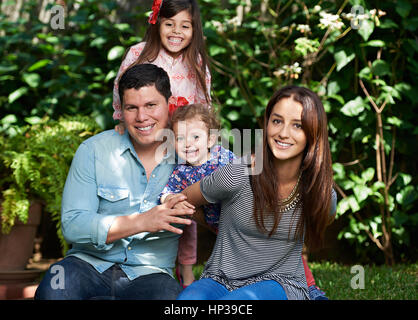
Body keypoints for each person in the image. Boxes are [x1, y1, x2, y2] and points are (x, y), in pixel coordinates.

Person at [35, 64, 195, 300]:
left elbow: (227, 179)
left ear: (169, 104)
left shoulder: (191, 155)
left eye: (151, 105)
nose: (142, 117)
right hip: (87, 264)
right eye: (132, 108)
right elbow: (72, 225)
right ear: (121, 109)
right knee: (54, 290)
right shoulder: (94, 150)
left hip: (151, 273)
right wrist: (143, 221)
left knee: (170, 300)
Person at [176, 85, 337, 300]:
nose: (283, 133)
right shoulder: (238, 174)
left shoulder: (320, 193)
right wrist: (216, 221)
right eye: (277, 121)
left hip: (281, 283)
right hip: (220, 279)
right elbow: (182, 200)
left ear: (313, 133)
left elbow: (323, 219)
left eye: (297, 125)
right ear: (266, 123)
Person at [112, 0, 211, 286]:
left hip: (183, 147)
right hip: (147, 142)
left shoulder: (197, 63)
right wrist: (121, 121)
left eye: (185, 25)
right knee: (146, 200)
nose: (176, 32)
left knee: (185, 207)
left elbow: (205, 107)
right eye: (169, 24)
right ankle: (139, 261)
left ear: (194, 29)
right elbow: (122, 90)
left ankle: (187, 266)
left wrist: (201, 139)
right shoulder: (139, 53)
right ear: (157, 23)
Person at [159, 104, 235, 287]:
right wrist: (170, 199)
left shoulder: (223, 158)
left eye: (195, 137)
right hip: (215, 224)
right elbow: (167, 192)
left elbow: (242, 177)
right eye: (180, 138)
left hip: (237, 220)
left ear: (210, 140)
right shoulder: (181, 171)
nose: (188, 143)